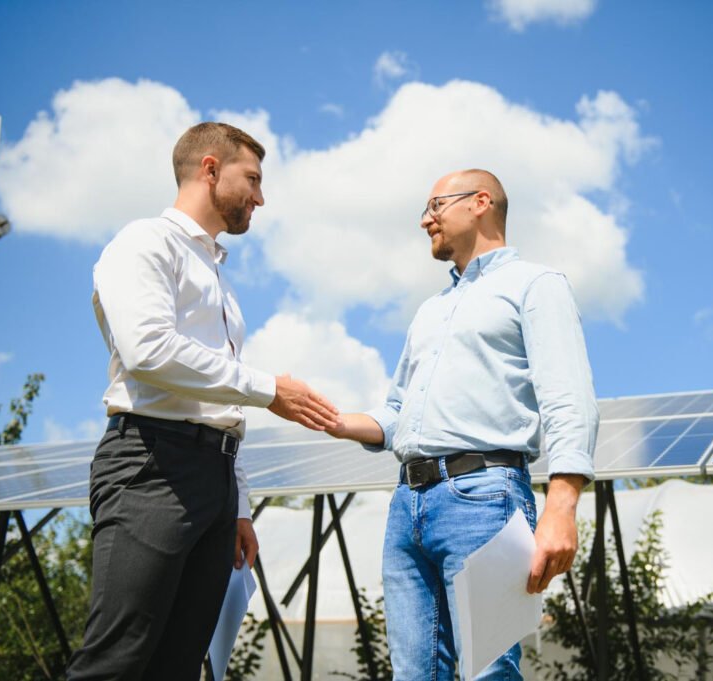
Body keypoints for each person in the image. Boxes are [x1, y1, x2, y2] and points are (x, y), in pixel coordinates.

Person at [68, 122, 339, 680]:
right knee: (117, 661)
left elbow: (220, 409)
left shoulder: (220, 279)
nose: (260, 198)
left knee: (179, 666)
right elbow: (148, 352)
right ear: (210, 168)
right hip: (151, 466)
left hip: (213, 481)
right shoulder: (144, 243)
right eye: (254, 179)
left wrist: (237, 506)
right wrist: (269, 389)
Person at [328, 169, 598, 680]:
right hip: (406, 507)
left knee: (487, 671)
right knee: (414, 674)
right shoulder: (431, 310)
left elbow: (569, 398)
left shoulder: (536, 285)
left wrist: (561, 506)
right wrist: (338, 421)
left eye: (434, 205)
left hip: (484, 497)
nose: (423, 219)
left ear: (480, 202)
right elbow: (395, 414)